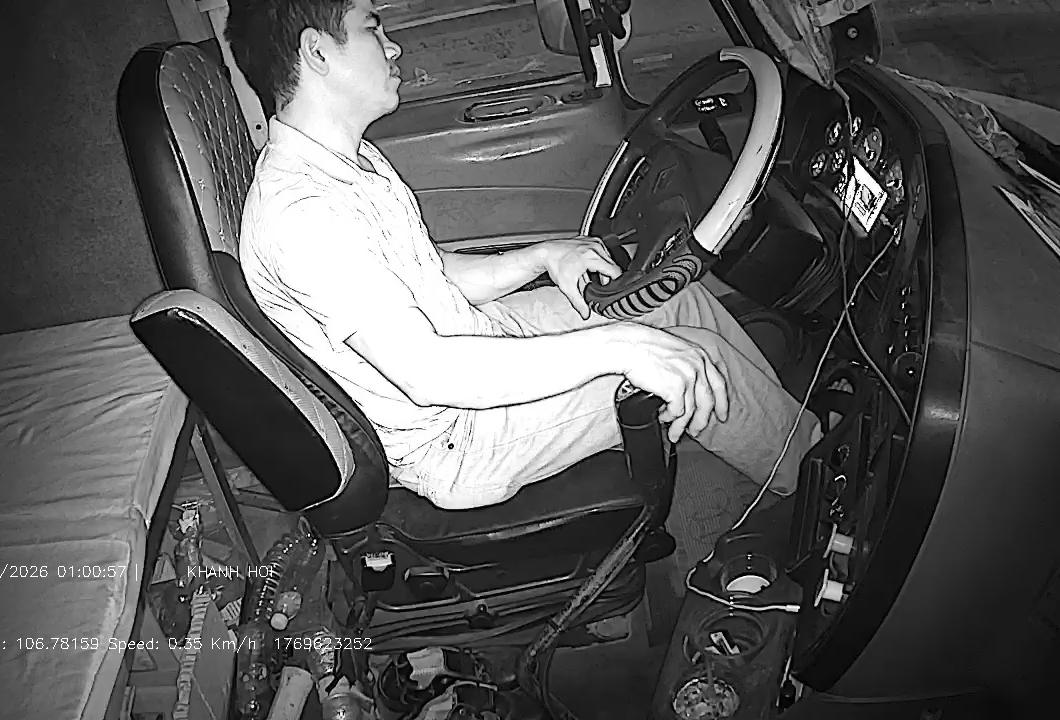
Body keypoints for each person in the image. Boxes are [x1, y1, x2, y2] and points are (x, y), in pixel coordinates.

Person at [228, 0, 822, 510]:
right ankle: (817, 482)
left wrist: (544, 256)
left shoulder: (348, 163)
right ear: (317, 52)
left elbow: (431, 276)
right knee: (691, 351)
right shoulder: (303, 216)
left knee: (674, 302)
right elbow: (431, 373)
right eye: (370, 26)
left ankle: (785, 428)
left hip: (477, 335)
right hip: (459, 434)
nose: (393, 46)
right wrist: (623, 346)